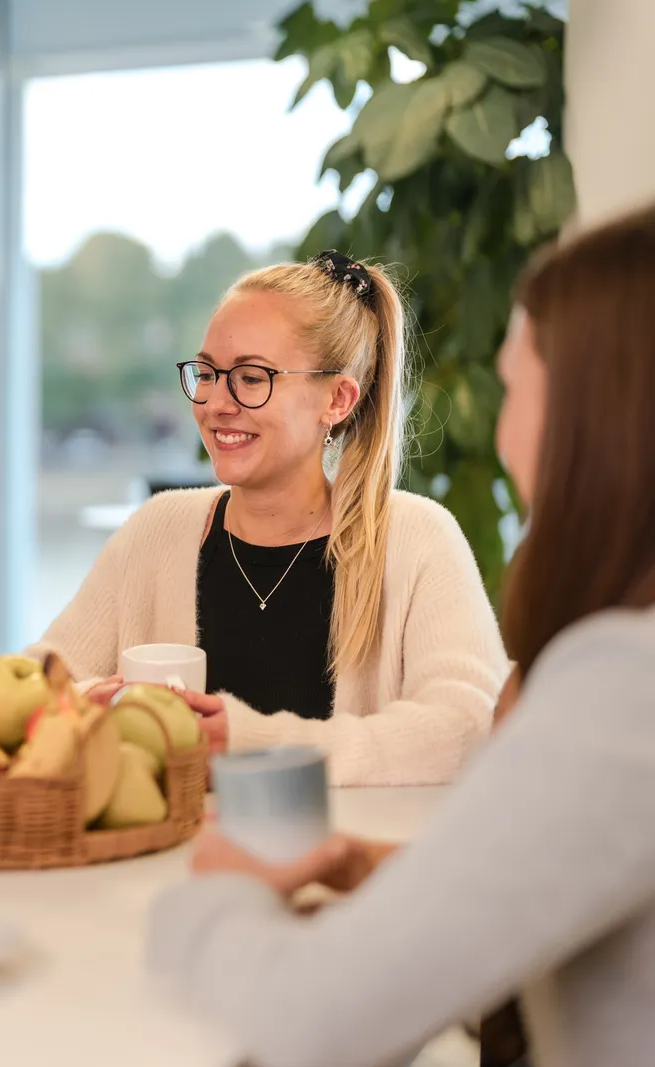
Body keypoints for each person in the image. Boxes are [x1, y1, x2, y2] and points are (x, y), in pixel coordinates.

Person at [148, 204, 655, 1067]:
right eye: (210, 373)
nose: (219, 399)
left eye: (513, 387)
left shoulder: (622, 693)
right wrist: (376, 866)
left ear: (590, 417)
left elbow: (312, 1020)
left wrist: (212, 899)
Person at [33, 251, 508, 785]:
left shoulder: (417, 540)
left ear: (338, 399)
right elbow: (35, 684)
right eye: (207, 373)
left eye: (251, 377)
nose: (215, 402)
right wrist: (92, 706)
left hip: (349, 844)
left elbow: (469, 728)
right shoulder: (158, 530)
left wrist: (252, 742)